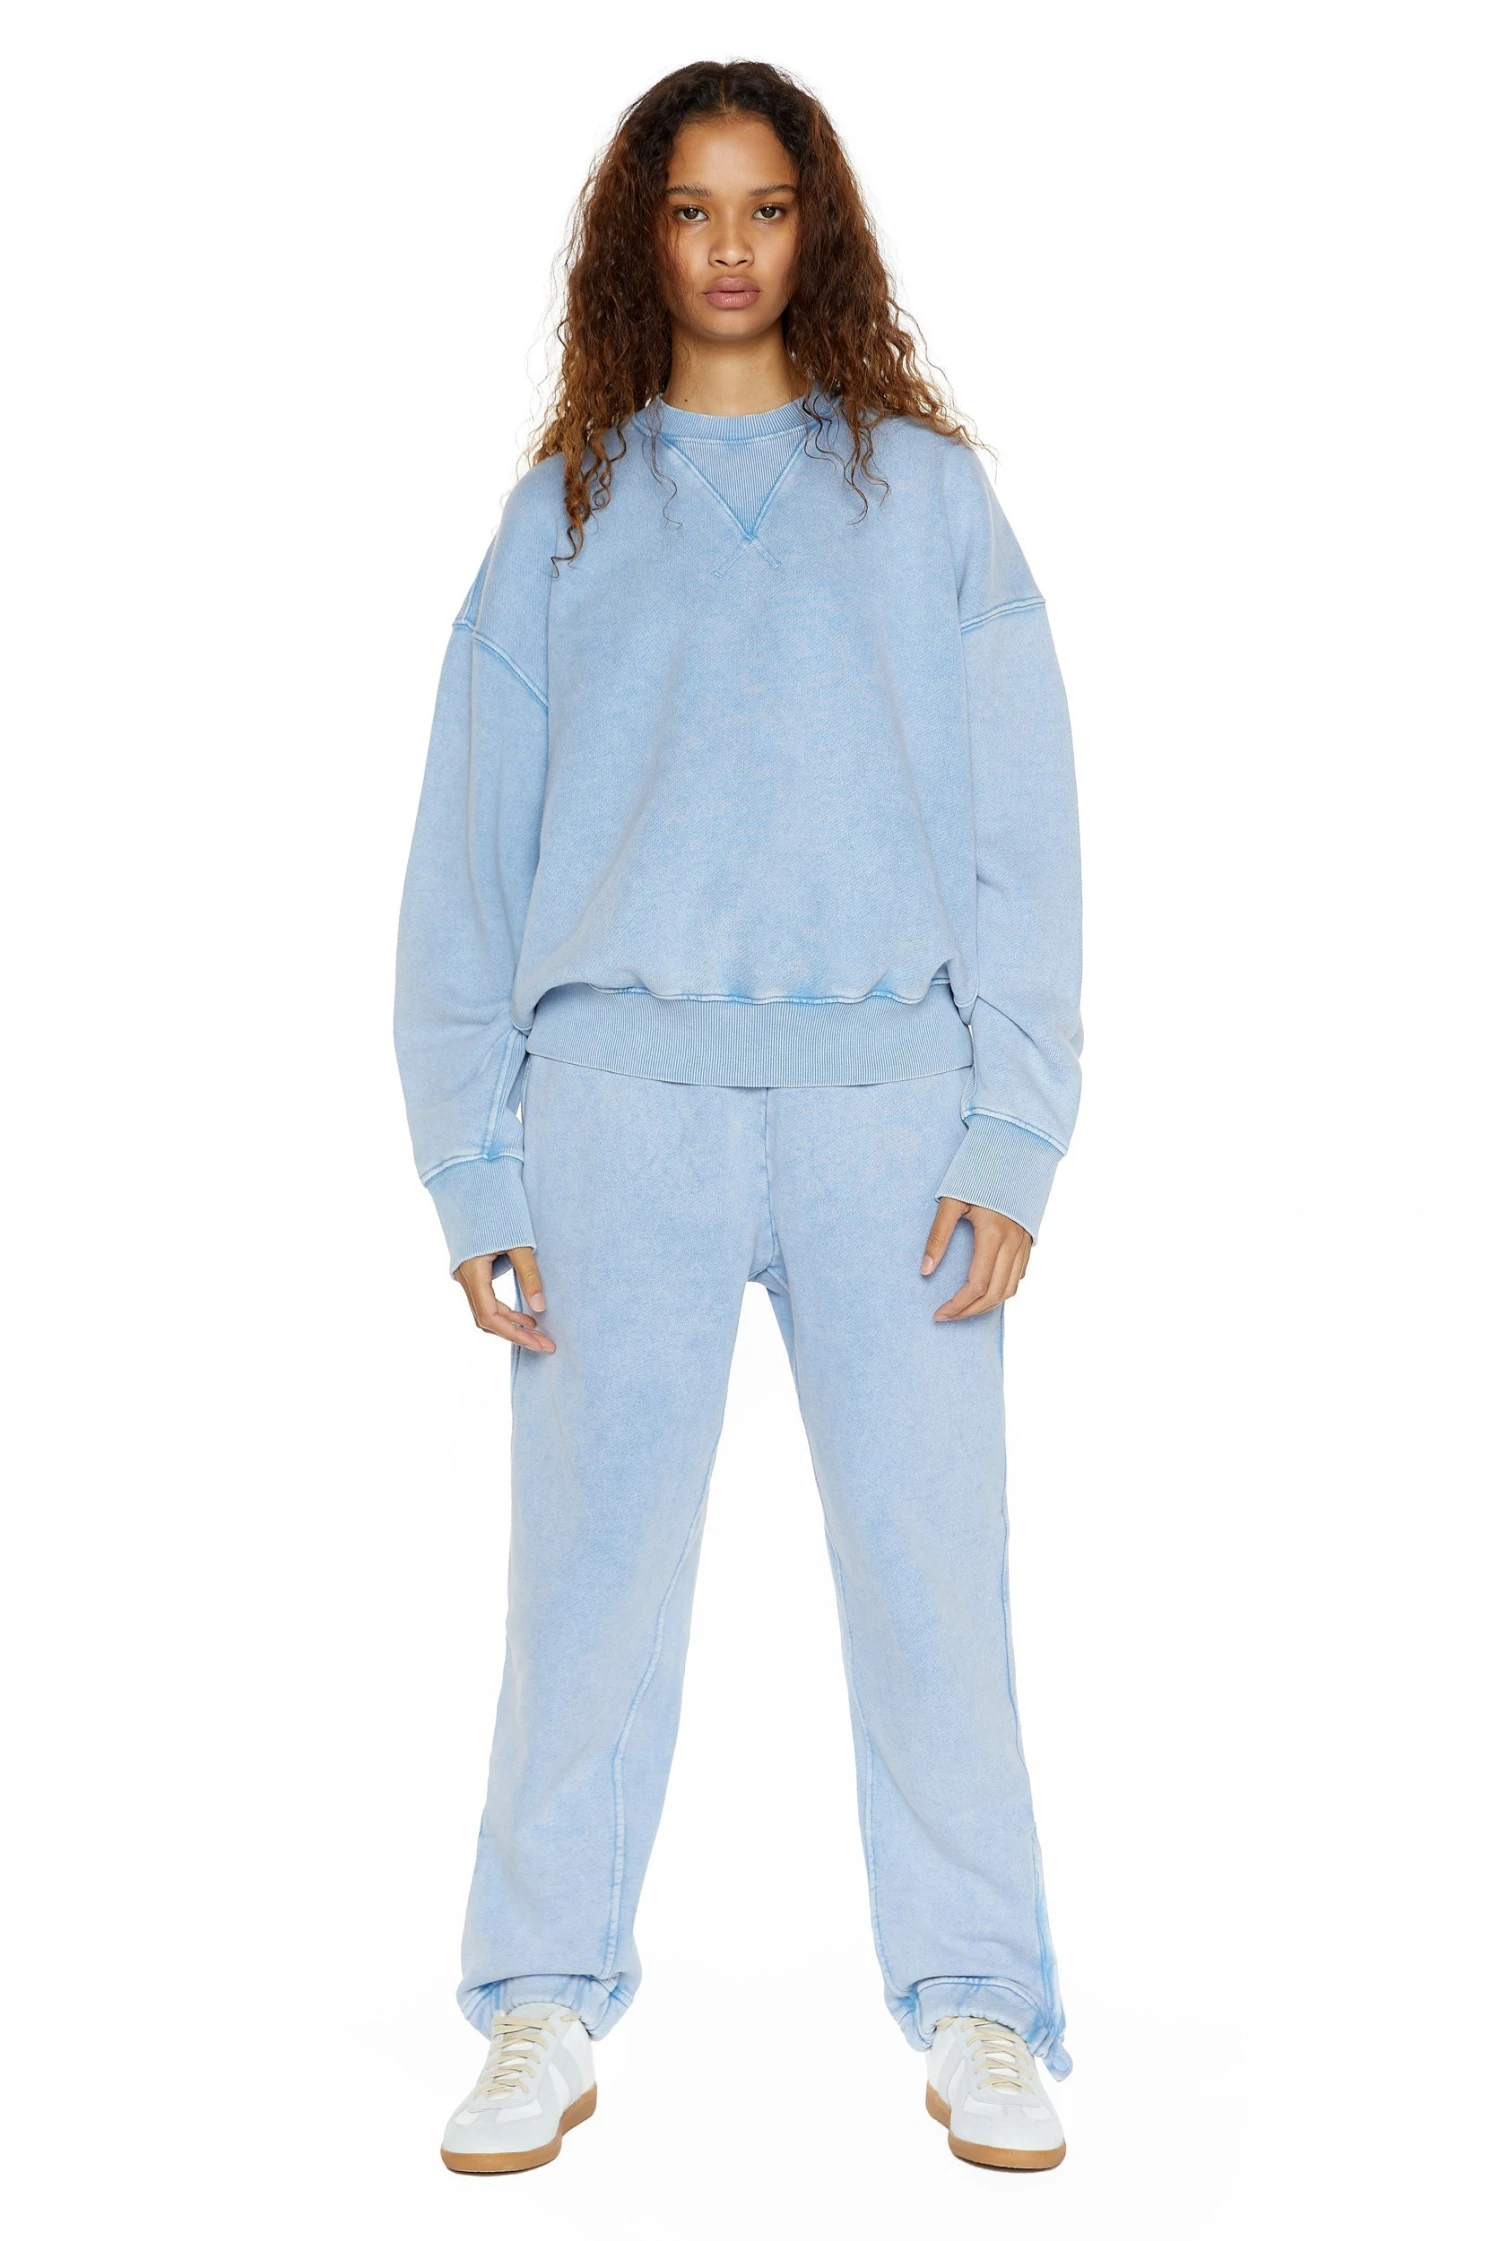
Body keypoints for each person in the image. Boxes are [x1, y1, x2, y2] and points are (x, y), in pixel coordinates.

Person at [395, 57, 1082, 2176]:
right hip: (617, 1123)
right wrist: (474, 1160)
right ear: (641, 237)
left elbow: (1025, 836)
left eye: (765, 207)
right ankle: (539, 1999)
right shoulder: (564, 516)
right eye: (689, 210)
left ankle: (981, 2000)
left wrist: (1014, 1128)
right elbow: (464, 864)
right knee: (586, 1596)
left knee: (931, 1579)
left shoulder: (929, 502)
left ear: (817, 229)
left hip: (895, 1123)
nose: (727, 248)